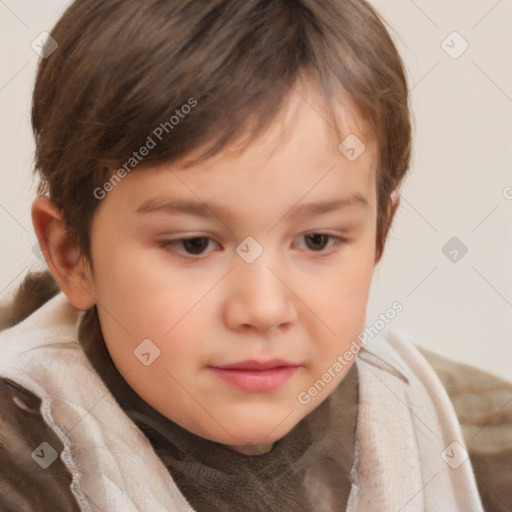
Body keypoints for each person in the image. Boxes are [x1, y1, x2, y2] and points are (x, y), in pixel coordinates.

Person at [0, 0, 510, 510]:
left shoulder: (478, 441)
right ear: (71, 256)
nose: (264, 309)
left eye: (317, 241)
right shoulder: (21, 463)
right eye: (194, 244)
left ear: (379, 235)